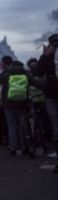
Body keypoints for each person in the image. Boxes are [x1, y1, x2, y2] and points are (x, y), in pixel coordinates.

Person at [32, 34, 58, 173]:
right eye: (53, 44)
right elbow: (39, 72)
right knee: (56, 129)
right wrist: (45, 56)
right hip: (52, 96)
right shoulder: (48, 58)